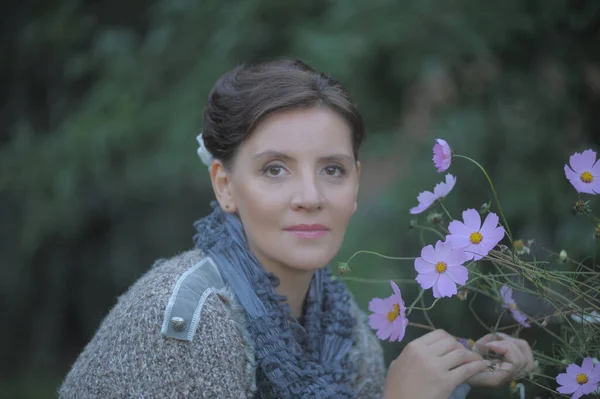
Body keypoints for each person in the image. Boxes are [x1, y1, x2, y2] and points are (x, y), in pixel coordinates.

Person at [59, 58, 534, 398]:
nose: (311, 196)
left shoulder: (339, 324)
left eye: (332, 169)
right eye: (275, 169)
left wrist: (459, 371)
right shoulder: (190, 325)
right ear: (224, 186)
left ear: (355, 185)